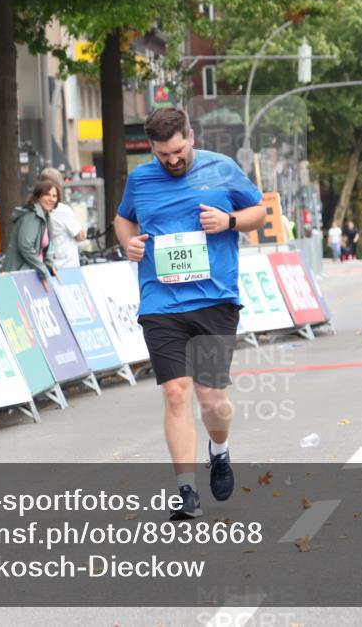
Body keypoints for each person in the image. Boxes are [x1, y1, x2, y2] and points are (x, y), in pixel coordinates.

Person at [114, 107, 266, 520]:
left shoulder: (223, 168)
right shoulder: (140, 179)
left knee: (211, 396)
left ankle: (219, 451)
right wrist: (129, 245)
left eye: (178, 150)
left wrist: (230, 220)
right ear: (152, 148)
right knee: (175, 392)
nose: (173, 160)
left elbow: (260, 212)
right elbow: (123, 220)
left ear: (191, 136)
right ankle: (186, 492)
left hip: (214, 300)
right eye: (164, 154)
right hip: (160, 302)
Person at [3, 178, 58, 290]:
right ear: (38, 196)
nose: (51, 199)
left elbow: (44, 248)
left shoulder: (45, 217)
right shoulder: (32, 216)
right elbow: (25, 246)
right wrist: (43, 270)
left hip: (31, 274)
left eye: (54, 196)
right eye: (47, 195)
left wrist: (50, 265)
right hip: (20, 274)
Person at [39, 167, 86, 269]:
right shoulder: (62, 210)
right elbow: (80, 235)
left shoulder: (39, 208)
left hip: (48, 265)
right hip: (67, 266)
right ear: (58, 186)